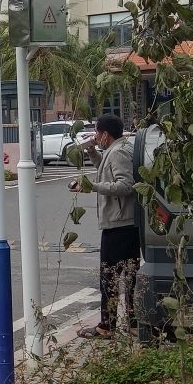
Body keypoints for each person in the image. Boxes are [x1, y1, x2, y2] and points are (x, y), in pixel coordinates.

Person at [70, 115, 139, 340]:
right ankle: (133, 323)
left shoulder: (118, 152)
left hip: (119, 223)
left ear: (105, 134)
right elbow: (107, 170)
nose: (95, 137)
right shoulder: (119, 148)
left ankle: (107, 326)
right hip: (126, 222)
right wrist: (92, 153)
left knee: (109, 277)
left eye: (97, 133)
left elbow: (125, 185)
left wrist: (92, 186)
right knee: (129, 275)